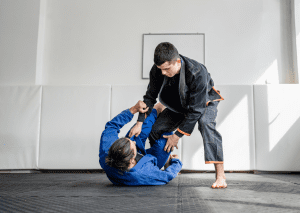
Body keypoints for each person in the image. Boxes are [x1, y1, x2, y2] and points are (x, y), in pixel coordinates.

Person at [129, 42, 227, 189]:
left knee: (206, 124)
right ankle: (168, 162)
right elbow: (149, 97)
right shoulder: (157, 70)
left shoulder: (197, 71)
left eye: (166, 69)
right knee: (156, 130)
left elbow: (196, 111)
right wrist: (140, 122)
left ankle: (221, 176)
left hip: (203, 103)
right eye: (160, 69)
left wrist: (177, 136)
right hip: (179, 106)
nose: (163, 73)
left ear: (177, 62)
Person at [99, 100, 182, 186]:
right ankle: (167, 161)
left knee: (151, 114)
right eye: (133, 144)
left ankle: (158, 109)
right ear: (132, 161)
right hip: (152, 161)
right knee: (167, 140)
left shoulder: (107, 152)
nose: (134, 142)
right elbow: (167, 176)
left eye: (130, 141)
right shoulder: (145, 174)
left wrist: (133, 110)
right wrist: (175, 162)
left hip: (134, 154)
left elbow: (111, 127)